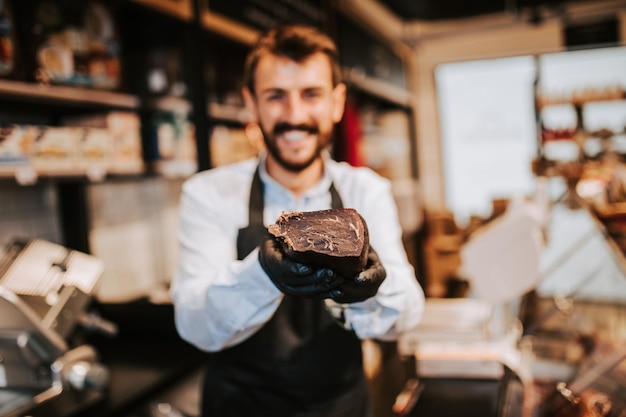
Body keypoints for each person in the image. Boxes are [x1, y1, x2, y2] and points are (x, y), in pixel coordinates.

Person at [170, 24, 425, 417]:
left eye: (311, 94)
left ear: (338, 103)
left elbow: (408, 312)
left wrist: (373, 288)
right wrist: (261, 273)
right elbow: (193, 324)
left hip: (339, 405)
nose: (295, 116)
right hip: (239, 406)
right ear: (251, 103)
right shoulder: (209, 194)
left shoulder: (365, 191)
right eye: (276, 96)